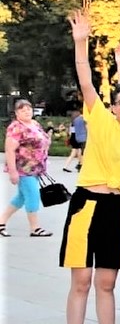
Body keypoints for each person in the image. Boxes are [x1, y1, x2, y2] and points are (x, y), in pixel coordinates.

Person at [61, 10, 120, 324]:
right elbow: (87, 82)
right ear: (112, 107)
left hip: (116, 209)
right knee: (82, 282)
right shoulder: (100, 119)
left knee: (107, 283)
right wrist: (82, 42)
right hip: (87, 207)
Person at [2, 98, 53, 237]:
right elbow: (10, 149)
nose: (26, 112)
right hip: (23, 168)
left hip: (35, 168)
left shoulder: (34, 124)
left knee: (21, 197)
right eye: (22, 110)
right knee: (32, 195)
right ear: (16, 113)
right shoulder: (16, 127)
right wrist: (13, 172)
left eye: (28, 109)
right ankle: (35, 228)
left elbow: (41, 141)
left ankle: (1, 222)